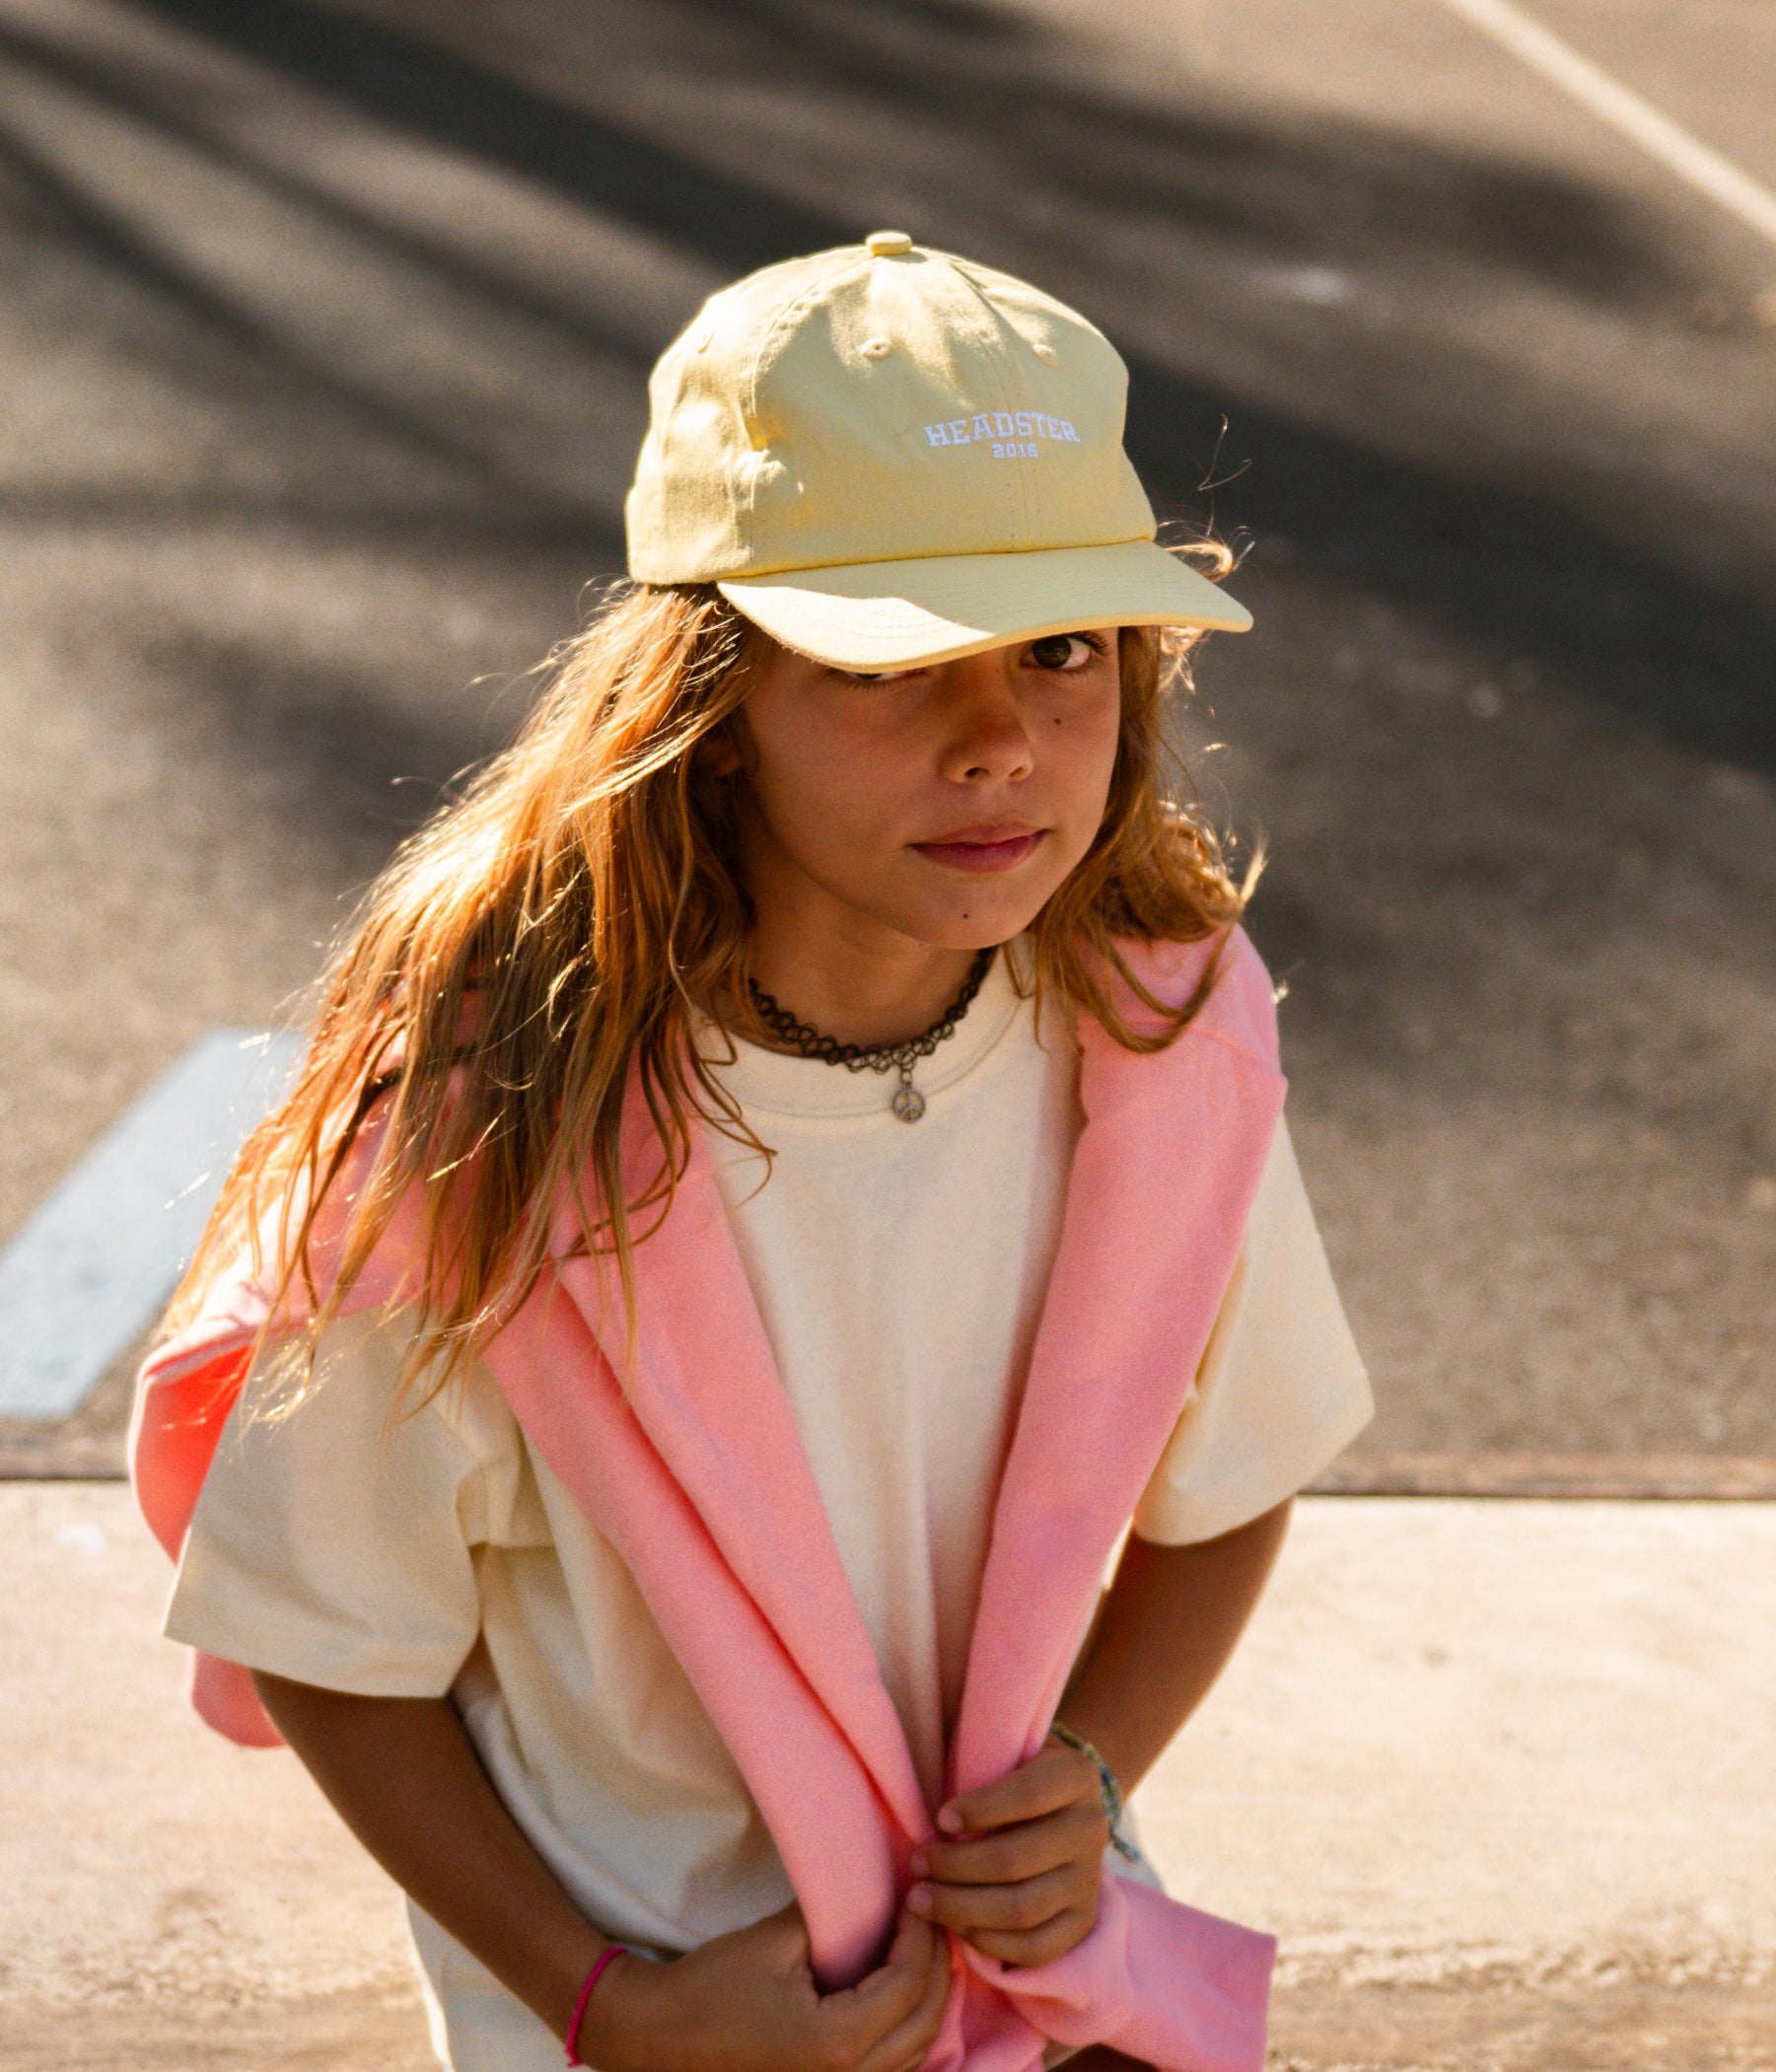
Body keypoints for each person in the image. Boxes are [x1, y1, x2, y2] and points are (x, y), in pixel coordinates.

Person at [132, 233, 1372, 2072]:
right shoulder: (496, 1130)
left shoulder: (1155, 1038)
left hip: (1015, 1970)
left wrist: (1088, 1776)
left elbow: (1233, 1473)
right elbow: (329, 1639)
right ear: (712, 712)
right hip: (653, 1992)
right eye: (894, 664)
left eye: (1060, 650)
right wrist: (606, 2002)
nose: (998, 741)